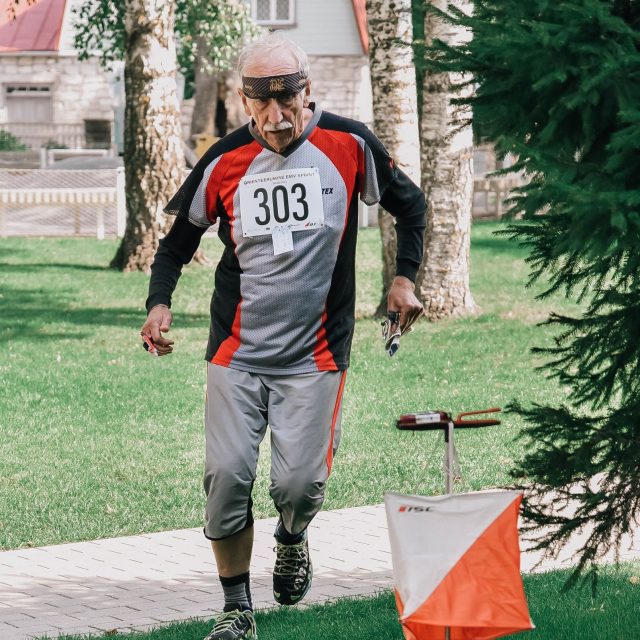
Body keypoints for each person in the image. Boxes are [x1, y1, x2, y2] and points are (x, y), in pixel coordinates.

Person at [141, 32, 426, 640]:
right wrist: (158, 305)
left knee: (299, 484)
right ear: (245, 102)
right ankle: (236, 607)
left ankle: (292, 538)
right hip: (236, 353)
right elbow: (174, 246)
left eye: (286, 99)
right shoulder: (224, 160)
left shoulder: (349, 145)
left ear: (307, 92)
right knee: (226, 478)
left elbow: (412, 205)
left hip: (316, 354)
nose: (275, 117)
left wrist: (403, 278)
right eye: (260, 103)